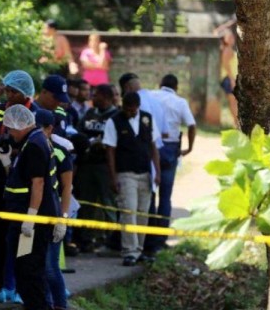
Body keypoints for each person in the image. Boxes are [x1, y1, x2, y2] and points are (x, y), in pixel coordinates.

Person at [2, 105, 64, 310]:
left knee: (30, 267)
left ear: (19, 124)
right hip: (34, 218)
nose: (9, 133)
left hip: (32, 222)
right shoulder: (36, 141)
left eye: (10, 129)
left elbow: (38, 184)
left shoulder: (35, 145)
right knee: (26, 266)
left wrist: (30, 217)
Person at [0, 70, 38, 304]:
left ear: (24, 93)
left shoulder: (34, 114)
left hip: (22, 183)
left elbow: (30, 144)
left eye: (13, 91)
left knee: (20, 241)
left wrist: (11, 153)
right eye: (6, 90)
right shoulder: (0, 110)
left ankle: (17, 288)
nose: (8, 95)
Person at [103, 92, 161, 267]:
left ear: (138, 106)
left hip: (145, 173)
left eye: (133, 110)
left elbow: (153, 146)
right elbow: (110, 150)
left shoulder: (147, 119)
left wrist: (157, 171)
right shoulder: (114, 121)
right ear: (123, 106)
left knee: (143, 212)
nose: (130, 113)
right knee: (129, 211)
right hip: (125, 173)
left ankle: (139, 249)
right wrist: (113, 177)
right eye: (127, 110)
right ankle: (129, 251)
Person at [145, 74, 196, 256]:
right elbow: (191, 125)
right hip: (170, 148)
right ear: (177, 87)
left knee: (150, 193)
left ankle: (147, 238)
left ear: (160, 84)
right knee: (165, 196)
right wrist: (189, 148)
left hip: (151, 145)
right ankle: (160, 239)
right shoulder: (180, 102)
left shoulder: (150, 95)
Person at [35, 109, 73, 310]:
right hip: (34, 215)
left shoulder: (60, 153)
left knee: (50, 267)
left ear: (50, 129)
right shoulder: (33, 149)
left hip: (54, 214)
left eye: (42, 127)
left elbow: (67, 187)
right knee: (37, 266)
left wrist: (64, 218)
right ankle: (45, 307)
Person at [74, 84, 119, 253]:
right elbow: (78, 133)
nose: (93, 98)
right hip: (87, 164)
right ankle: (86, 239)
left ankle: (112, 239)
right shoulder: (89, 114)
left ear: (106, 97)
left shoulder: (115, 116)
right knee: (87, 203)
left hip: (105, 166)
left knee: (109, 203)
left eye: (97, 95)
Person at [219, 29, 238, 126]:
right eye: (229, 37)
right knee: (233, 102)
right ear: (225, 39)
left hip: (230, 79)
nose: (232, 39)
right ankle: (237, 124)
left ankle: (236, 123)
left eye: (232, 36)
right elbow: (226, 66)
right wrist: (232, 80)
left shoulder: (228, 49)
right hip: (229, 79)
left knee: (234, 102)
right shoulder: (227, 50)